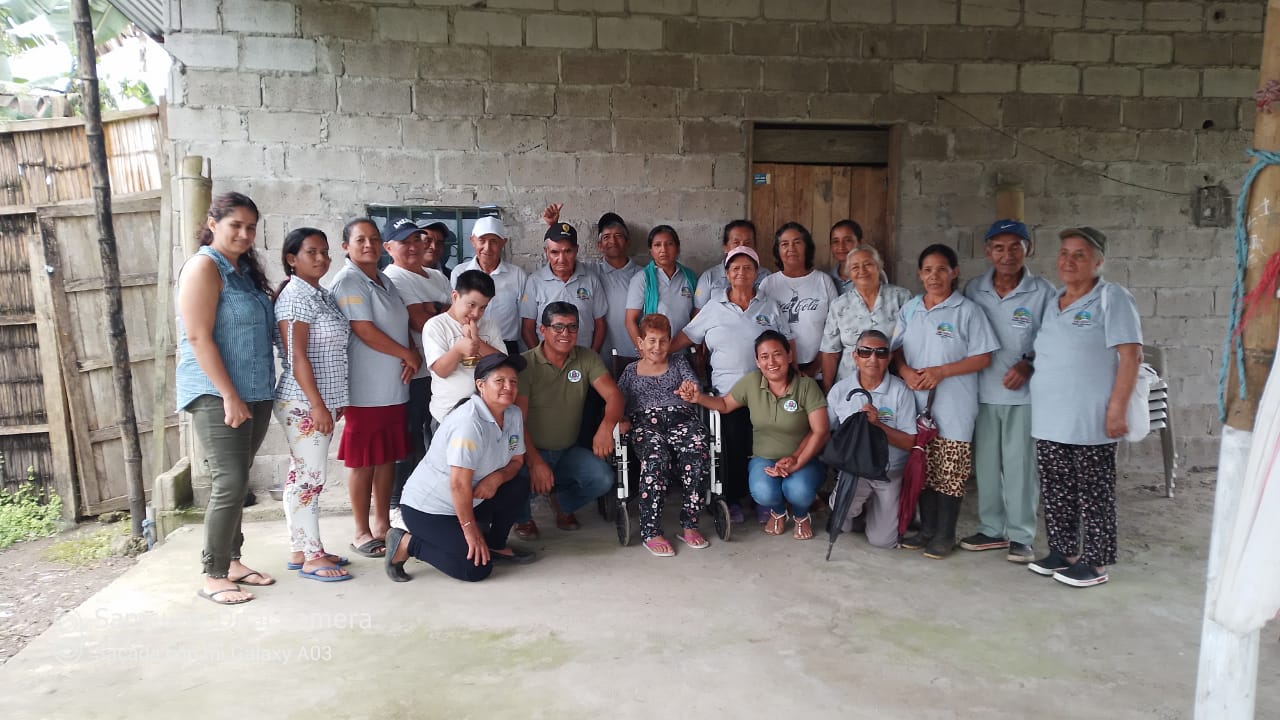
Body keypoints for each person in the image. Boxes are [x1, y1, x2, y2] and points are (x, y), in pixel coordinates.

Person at [176, 192, 277, 604]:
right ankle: (214, 573)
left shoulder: (244, 272)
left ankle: (233, 561)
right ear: (213, 223)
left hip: (255, 390)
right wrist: (229, 395)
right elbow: (198, 337)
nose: (244, 234)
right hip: (216, 392)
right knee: (230, 482)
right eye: (236, 225)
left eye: (251, 227)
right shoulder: (204, 267)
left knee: (238, 480)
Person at [1027, 227, 1141, 588]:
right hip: (1050, 416)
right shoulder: (1054, 301)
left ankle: (1095, 562)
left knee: (1094, 492)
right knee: (1057, 488)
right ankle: (1063, 552)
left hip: (1090, 417)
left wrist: (1117, 408)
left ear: (1098, 261)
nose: (1069, 261)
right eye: (1064, 253)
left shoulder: (1111, 298)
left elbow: (1131, 355)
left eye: (1079, 254)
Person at [385, 353, 536, 582]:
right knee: (475, 569)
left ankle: (495, 545)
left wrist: (497, 477)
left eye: (513, 381)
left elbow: (517, 462)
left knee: (518, 485)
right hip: (430, 511)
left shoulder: (513, 414)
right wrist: (470, 530)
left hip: (470, 500)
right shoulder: (468, 423)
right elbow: (458, 484)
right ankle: (407, 543)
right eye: (500, 381)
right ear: (480, 385)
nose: (508, 387)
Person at [958, 220, 1057, 564]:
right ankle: (990, 530)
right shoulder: (975, 289)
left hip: (1023, 396)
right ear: (988, 252)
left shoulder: (1043, 292)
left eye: (1016, 246)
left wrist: (1028, 363)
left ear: (1029, 249)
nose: (1007, 255)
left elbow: (1053, 340)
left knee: (1020, 467)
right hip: (982, 392)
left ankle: (1021, 536)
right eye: (999, 248)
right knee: (986, 466)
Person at [892, 243, 998, 560]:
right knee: (923, 466)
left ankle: (945, 533)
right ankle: (926, 529)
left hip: (955, 403)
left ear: (954, 273)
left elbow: (984, 357)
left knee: (950, 469)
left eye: (941, 269)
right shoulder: (911, 309)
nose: (934, 276)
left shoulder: (967, 311)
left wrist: (942, 371)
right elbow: (896, 348)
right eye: (927, 270)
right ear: (919, 274)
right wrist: (905, 371)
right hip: (916, 402)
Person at [672, 246, 790, 525]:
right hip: (727, 395)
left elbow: (787, 345)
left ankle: (763, 499)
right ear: (726, 273)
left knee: (765, 446)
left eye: (748, 268)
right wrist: (658, 353)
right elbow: (688, 336)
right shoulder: (714, 307)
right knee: (734, 447)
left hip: (766, 392)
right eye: (735, 268)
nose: (741, 273)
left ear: (757, 272)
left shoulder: (769, 306)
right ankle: (733, 498)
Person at [678, 331, 829, 540]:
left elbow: (821, 431)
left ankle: (802, 515)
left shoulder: (806, 386)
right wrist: (698, 398)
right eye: (764, 357)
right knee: (762, 491)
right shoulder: (752, 382)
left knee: (798, 490)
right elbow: (724, 404)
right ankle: (778, 511)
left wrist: (796, 460)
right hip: (764, 458)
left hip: (804, 459)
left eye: (777, 354)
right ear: (757, 362)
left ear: (789, 356)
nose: (771, 362)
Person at [331, 218, 420, 558]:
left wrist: (410, 353)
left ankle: (382, 524)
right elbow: (364, 330)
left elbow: (400, 324)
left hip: (393, 387)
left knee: (386, 458)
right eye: (360, 240)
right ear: (346, 247)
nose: (368, 245)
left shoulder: (384, 280)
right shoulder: (349, 280)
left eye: (374, 239)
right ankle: (360, 531)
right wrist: (407, 355)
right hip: (365, 389)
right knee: (363, 460)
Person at [272, 227, 351, 582]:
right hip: (303, 402)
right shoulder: (294, 297)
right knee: (310, 480)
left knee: (300, 475)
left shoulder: (319, 294)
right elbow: (297, 356)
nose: (322, 258)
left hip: (319, 401)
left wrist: (334, 401)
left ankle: (300, 548)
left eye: (325, 252)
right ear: (292, 259)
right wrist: (318, 405)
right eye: (312, 252)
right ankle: (312, 556)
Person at [512, 302, 624, 540]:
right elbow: (516, 422)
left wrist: (606, 427)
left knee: (603, 478)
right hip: (529, 451)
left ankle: (563, 504)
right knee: (513, 479)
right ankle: (522, 517)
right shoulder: (525, 364)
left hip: (567, 451)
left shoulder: (586, 357)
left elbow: (614, 396)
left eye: (572, 327)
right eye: (558, 327)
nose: (566, 333)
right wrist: (535, 462)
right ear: (543, 330)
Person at [616, 314, 711, 557]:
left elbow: (693, 385)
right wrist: (620, 418)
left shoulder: (679, 362)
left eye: (663, 341)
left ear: (670, 342)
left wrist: (690, 389)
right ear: (640, 343)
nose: (657, 347)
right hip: (645, 424)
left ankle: (690, 524)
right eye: (651, 340)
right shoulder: (630, 371)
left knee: (697, 449)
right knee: (656, 458)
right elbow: (617, 401)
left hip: (681, 419)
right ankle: (651, 531)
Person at [381, 218, 450, 517]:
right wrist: (439, 310)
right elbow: (420, 322)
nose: (412, 247)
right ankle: (398, 503)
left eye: (416, 240)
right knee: (409, 438)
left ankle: (430, 500)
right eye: (404, 242)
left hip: (442, 371)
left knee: (437, 436)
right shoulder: (393, 277)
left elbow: (457, 315)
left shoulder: (436, 276)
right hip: (414, 372)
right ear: (389, 247)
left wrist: (433, 309)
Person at [825, 330, 918, 549]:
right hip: (855, 470)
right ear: (855, 356)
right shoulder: (841, 390)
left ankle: (879, 507)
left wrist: (878, 425)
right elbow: (825, 431)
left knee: (882, 541)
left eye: (881, 353)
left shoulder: (900, 391)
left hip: (889, 472)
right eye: (865, 352)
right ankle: (857, 509)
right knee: (841, 518)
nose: (873, 359)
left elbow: (909, 442)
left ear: (889, 358)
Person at [819, 244, 912, 390]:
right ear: (849, 273)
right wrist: (827, 388)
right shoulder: (839, 305)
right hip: (848, 385)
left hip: (893, 385)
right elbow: (830, 352)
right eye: (855, 267)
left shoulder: (901, 297)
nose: (862, 271)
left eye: (868, 264)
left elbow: (912, 343)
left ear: (879, 267)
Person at [422, 269, 506, 427]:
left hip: (486, 414)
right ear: (455, 296)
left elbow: (503, 364)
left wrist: (477, 341)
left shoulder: (490, 326)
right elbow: (441, 371)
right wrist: (458, 349)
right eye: (471, 305)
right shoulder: (436, 326)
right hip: (447, 416)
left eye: (483, 308)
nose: (476, 313)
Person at [758, 222, 838, 377]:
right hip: (777, 371)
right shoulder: (768, 284)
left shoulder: (823, 281)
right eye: (784, 244)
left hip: (820, 369)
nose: (791, 249)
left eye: (797, 242)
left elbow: (835, 330)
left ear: (807, 247)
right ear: (778, 250)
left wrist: (815, 367)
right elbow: (760, 326)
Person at [520, 222, 608, 353]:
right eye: (554, 252)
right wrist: (540, 359)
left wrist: (592, 357)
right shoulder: (534, 282)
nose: (561, 259)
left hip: (583, 358)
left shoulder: (591, 279)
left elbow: (600, 324)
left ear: (576, 250)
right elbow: (527, 329)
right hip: (547, 359)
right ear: (546, 252)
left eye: (568, 251)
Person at [453, 216, 528, 356]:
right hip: (468, 345)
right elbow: (455, 311)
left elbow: (523, 316)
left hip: (507, 347)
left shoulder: (517, 275)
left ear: (503, 243)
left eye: (494, 241)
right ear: (472, 241)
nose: (487, 248)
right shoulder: (459, 272)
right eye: (482, 240)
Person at [624, 225, 698, 352]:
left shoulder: (689, 277)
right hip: (654, 353)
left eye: (669, 244)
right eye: (657, 245)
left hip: (684, 351)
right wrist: (644, 353)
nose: (663, 249)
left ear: (678, 248)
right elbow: (630, 321)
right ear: (651, 250)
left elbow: (697, 316)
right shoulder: (642, 279)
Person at [693, 219, 770, 309]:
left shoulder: (766, 277)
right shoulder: (709, 277)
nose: (742, 247)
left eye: (748, 243)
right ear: (725, 247)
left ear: (755, 247)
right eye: (736, 243)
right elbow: (698, 313)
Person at [828, 219, 862, 295]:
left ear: (860, 242)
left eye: (848, 240)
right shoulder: (826, 279)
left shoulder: (870, 274)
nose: (841, 247)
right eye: (836, 241)